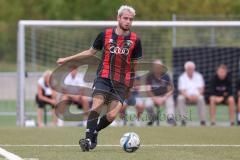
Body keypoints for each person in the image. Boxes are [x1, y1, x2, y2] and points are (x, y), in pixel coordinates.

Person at [57, 5, 142, 151]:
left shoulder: (135, 40)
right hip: (103, 78)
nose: (128, 21)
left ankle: (94, 132)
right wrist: (67, 59)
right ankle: (88, 141)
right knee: (96, 105)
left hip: (121, 82)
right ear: (118, 18)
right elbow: (90, 52)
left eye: (131, 19)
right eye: (125, 18)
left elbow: (134, 66)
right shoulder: (105, 35)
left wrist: (130, 85)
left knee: (112, 115)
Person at [145, 59, 176, 126]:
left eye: (159, 67)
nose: (157, 68)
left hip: (164, 96)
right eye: (156, 67)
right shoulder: (149, 76)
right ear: (153, 67)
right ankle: (153, 118)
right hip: (153, 96)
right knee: (148, 104)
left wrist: (164, 98)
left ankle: (170, 118)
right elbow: (148, 90)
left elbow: (170, 89)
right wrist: (155, 99)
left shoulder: (166, 76)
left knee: (170, 100)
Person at [177, 61, 206, 126]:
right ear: (186, 69)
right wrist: (188, 96)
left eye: (191, 69)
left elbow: (202, 89)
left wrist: (197, 96)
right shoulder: (182, 77)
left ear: (194, 69)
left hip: (197, 96)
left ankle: (202, 121)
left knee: (201, 98)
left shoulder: (199, 76)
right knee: (180, 98)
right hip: (186, 97)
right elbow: (182, 90)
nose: (190, 70)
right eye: (188, 69)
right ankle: (183, 120)